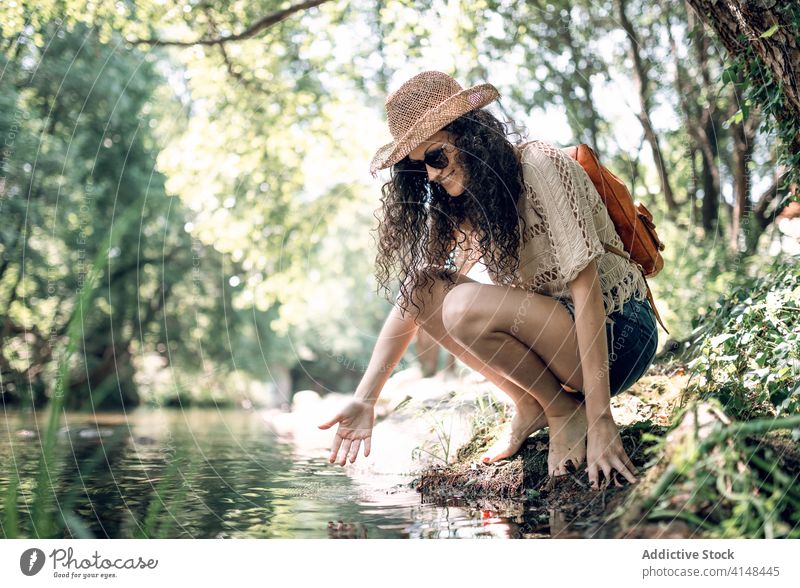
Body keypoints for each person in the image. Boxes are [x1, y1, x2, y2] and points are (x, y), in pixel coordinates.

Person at [318, 70, 659, 490]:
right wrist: (365, 397)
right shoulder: (468, 203)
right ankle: (534, 405)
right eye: (419, 166)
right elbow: (416, 297)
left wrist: (602, 420)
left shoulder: (539, 166)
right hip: (560, 334)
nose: (431, 174)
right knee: (429, 289)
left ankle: (564, 412)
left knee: (462, 308)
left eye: (436, 156)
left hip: (619, 329)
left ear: (469, 134)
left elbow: (586, 291)